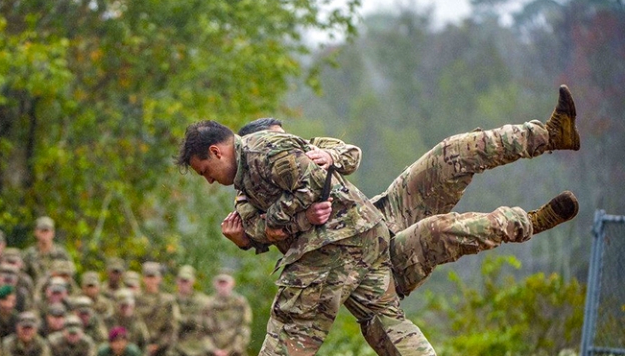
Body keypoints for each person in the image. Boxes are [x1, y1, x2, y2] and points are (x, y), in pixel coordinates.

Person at [178, 120, 487, 356]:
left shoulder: (265, 151)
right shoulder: (245, 182)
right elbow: (254, 228)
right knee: (386, 324)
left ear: (217, 152)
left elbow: (313, 185)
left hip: (331, 245)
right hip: (364, 239)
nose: (209, 181)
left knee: (290, 328)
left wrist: (280, 221)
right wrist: (265, 229)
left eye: (204, 171)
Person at [232, 86, 581, 297]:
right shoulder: (248, 195)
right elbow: (264, 232)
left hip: (383, 211)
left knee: (451, 152)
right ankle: (529, 222)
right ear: (256, 150)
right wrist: (248, 237)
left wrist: (330, 154)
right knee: (442, 229)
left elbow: (351, 153)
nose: (288, 146)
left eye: (285, 138)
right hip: (377, 260)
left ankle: (549, 135)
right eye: (276, 142)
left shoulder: (303, 148)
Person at [204, 271, 252, 356]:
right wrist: (215, 351)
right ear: (215, 284)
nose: (223, 286)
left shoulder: (240, 303)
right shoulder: (208, 305)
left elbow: (244, 329)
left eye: (225, 283)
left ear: (232, 283)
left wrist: (229, 351)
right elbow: (202, 332)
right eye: (220, 283)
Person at [137, 261, 179, 356]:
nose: (151, 280)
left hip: (160, 355)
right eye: (148, 277)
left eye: (153, 277)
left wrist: (158, 345)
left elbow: (172, 328)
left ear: (159, 278)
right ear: (143, 279)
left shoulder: (167, 301)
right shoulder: (135, 299)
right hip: (138, 354)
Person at [169, 265, 210, 356]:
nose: (184, 284)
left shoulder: (202, 301)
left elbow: (201, 322)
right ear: (177, 281)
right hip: (174, 351)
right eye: (181, 280)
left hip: (195, 351)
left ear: (193, 281)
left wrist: (180, 319)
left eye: (186, 280)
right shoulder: (170, 301)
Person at [21, 216, 72, 282]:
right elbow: (22, 274)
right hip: (34, 290)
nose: (45, 234)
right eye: (42, 231)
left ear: (53, 233)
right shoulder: (29, 254)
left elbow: (70, 272)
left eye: (47, 231)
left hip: (57, 289)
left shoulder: (61, 253)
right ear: (35, 232)